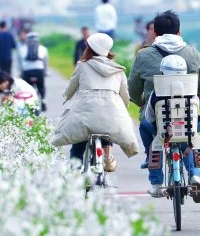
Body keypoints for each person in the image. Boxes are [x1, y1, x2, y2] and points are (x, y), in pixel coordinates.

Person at [128, 10, 200, 198]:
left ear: (155, 33)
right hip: (187, 115)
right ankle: (195, 174)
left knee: (148, 129)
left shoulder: (143, 55)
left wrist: (142, 103)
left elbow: (133, 88)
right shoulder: (191, 53)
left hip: (158, 119)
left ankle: (155, 176)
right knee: (187, 137)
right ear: (179, 32)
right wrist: (196, 100)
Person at [51, 33, 139, 171]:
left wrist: (67, 96)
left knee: (78, 146)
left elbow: (71, 87)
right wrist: (124, 106)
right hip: (109, 112)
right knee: (108, 127)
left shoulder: (82, 66)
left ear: (89, 49)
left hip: (85, 111)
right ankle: (107, 157)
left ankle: (75, 175)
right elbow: (125, 95)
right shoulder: (117, 69)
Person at [140, 55, 200, 202]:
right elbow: (196, 113)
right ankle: (199, 168)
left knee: (144, 125)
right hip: (188, 131)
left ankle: (155, 180)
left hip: (164, 133)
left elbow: (149, 117)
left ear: (163, 72)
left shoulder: (157, 92)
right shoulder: (191, 90)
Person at [17, 31, 49, 110]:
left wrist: (21, 72)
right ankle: (43, 100)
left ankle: (28, 103)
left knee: (27, 88)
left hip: (27, 72)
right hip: (39, 71)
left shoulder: (22, 49)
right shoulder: (43, 48)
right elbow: (45, 62)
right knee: (41, 87)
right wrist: (45, 72)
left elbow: (19, 63)